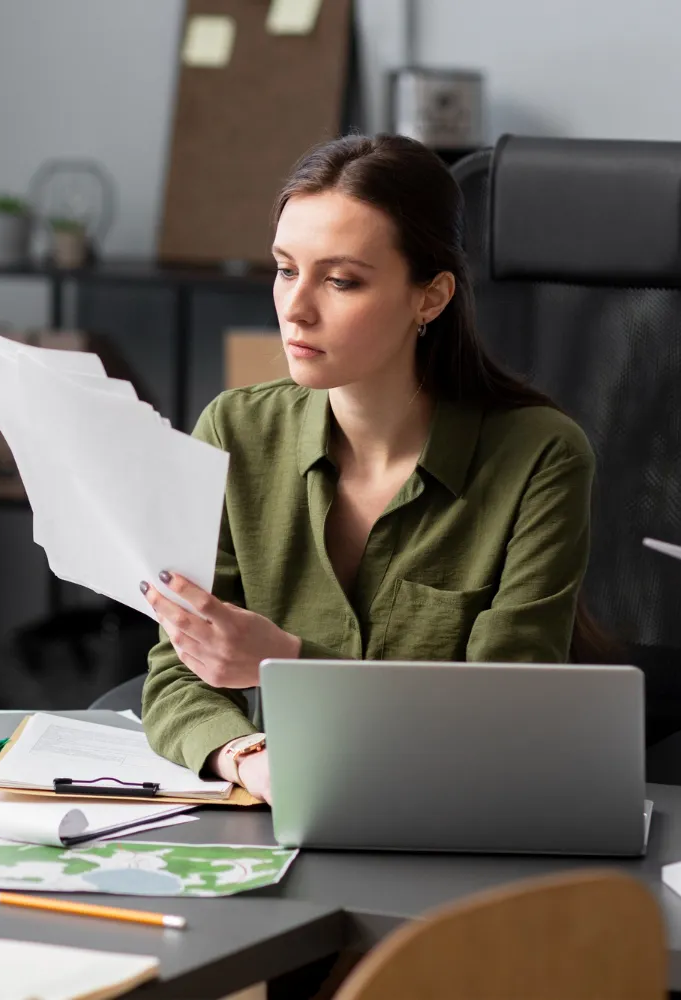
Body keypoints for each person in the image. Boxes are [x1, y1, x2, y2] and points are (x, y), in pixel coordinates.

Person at [141, 133, 602, 804]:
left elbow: (505, 715)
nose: (296, 307)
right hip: (279, 812)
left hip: (459, 816)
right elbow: (178, 669)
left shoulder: (540, 458)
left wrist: (285, 663)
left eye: (340, 280)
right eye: (284, 268)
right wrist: (250, 759)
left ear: (431, 297)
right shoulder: (233, 432)